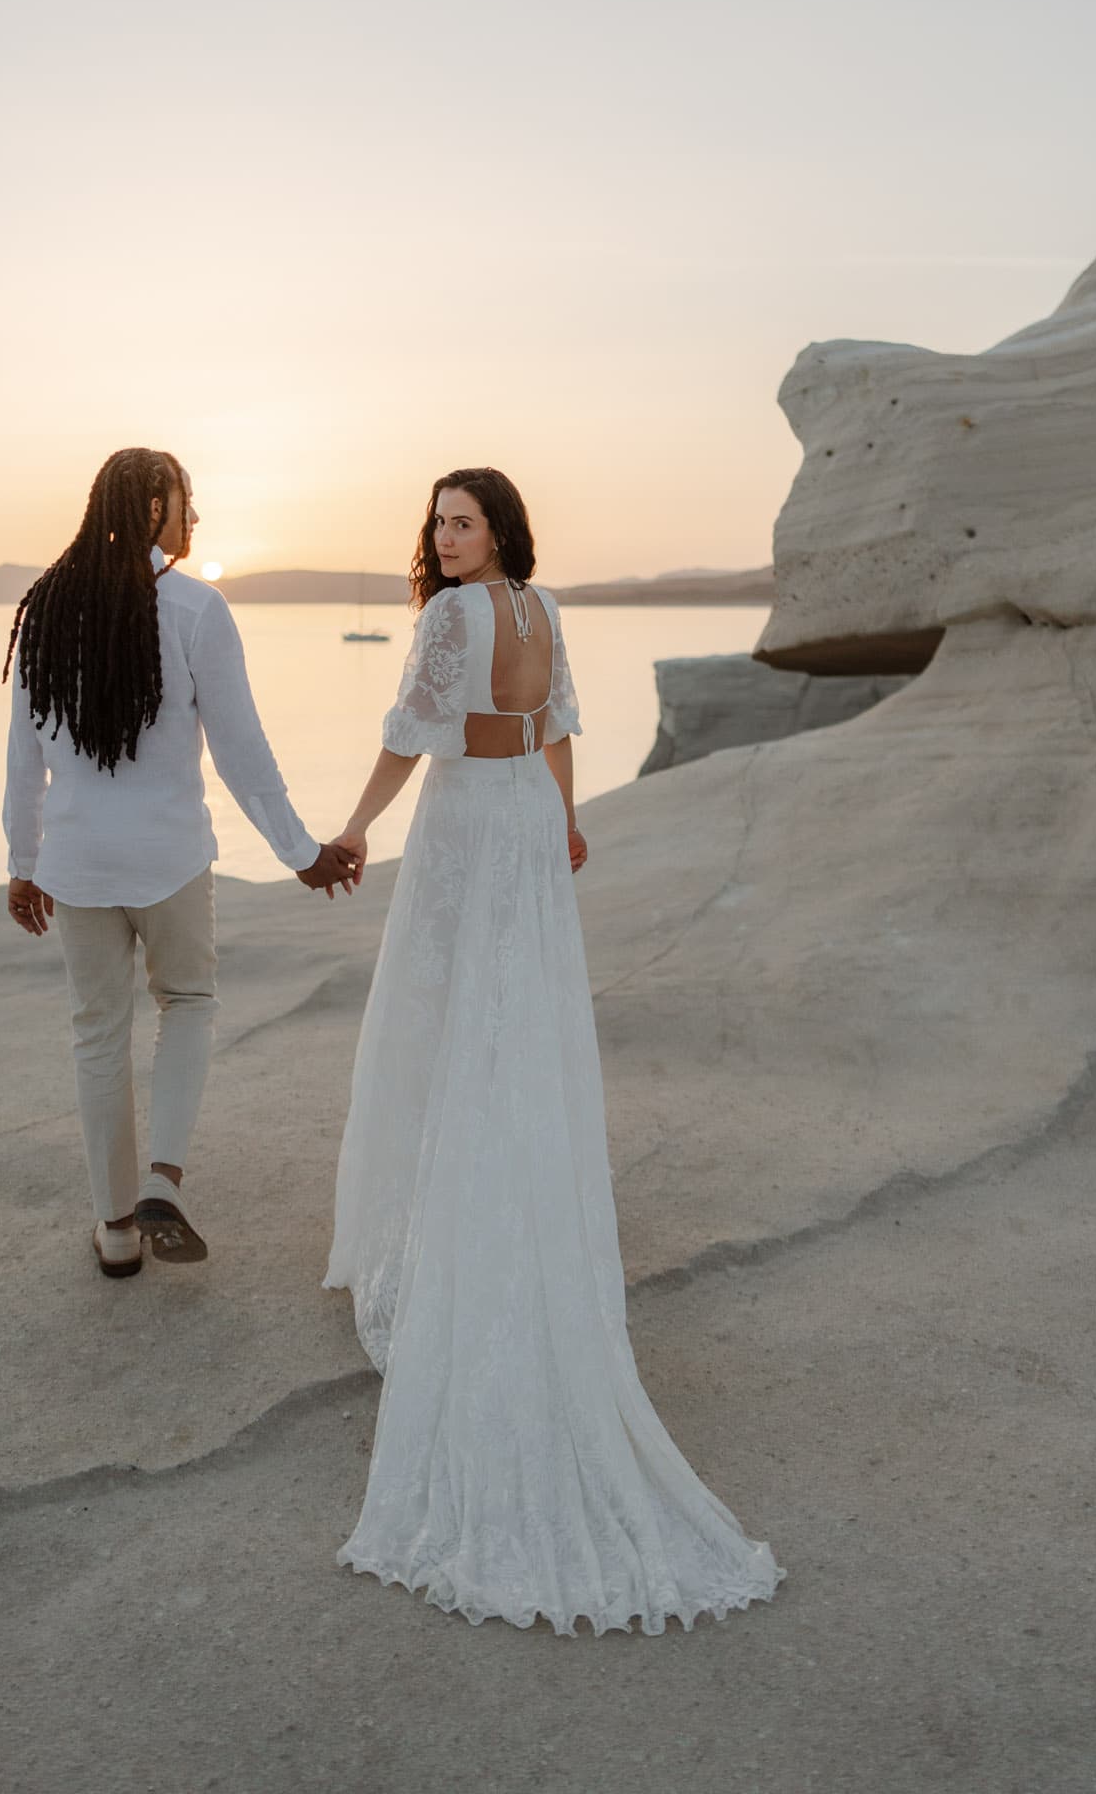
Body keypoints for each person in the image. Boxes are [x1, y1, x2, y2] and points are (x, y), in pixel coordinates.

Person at [324, 466, 783, 1636]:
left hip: (477, 815)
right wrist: (566, 817)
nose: (446, 536)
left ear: (498, 529)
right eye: (437, 521)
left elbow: (409, 739)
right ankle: (493, 1183)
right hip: (527, 807)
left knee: (437, 1013)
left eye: (462, 520)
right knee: (516, 1009)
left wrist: (351, 829)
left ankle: (444, 1222)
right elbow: (563, 724)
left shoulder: (451, 614)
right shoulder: (546, 608)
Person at [3, 446, 357, 1280]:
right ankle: (162, 1179)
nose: (193, 516)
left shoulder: (46, 607)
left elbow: (25, 754)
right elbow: (241, 751)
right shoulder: (196, 608)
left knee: (98, 1033)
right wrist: (301, 853)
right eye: (181, 501)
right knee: (188, 1002)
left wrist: (24, 860)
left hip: (79, 864)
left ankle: (117, 1231)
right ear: (145, 509)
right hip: (169, 860)